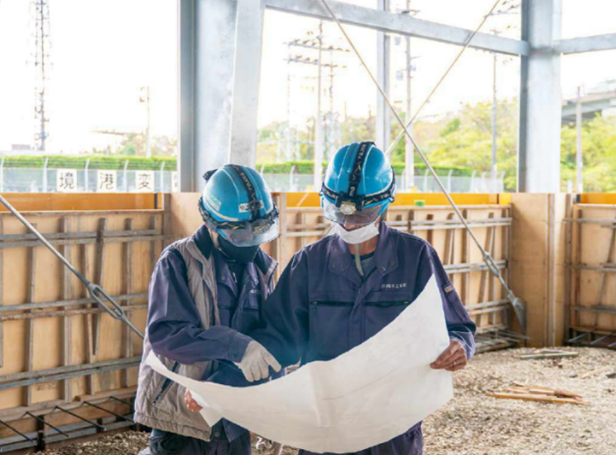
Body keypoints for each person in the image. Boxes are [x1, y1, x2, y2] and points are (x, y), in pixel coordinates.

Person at [187, 142, 477, 455]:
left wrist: (460, 346)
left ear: (386, 203)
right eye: (339, 213)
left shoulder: (416, 257)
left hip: (392, 427)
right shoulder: (309, 264)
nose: (349, 224)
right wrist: (220, 384)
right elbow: (274, 340)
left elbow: (457, 326)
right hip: (326, 426)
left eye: (362, 214)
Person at [135, 164, 283, 455]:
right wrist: (236, 346)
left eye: (258, 232)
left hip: (234, 420)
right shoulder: (178, 261)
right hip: (183, 421)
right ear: (212, 224)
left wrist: (272, 408)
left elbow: (269, 343)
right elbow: (168, 334)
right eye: (241, 235)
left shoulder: (262, 270)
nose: (251, 243)